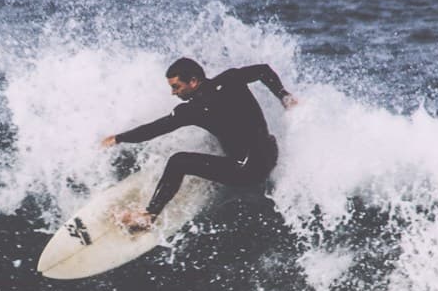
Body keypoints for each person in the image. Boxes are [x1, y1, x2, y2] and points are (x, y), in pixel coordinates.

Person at [102, 57, 298, 232]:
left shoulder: (192, 110)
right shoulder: (230, 79)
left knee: (178, 161)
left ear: (193, 81)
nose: (173, 93)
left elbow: (154, 129)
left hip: (248, 171)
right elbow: (263, 70)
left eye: (176, 87)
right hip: (271, 154)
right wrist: (284, 96)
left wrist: (119, 138)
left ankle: (149, 216)